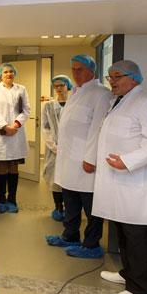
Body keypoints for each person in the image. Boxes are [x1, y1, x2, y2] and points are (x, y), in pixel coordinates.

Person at [94, 60, 147, 294]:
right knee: (124, 234)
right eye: (110, 77)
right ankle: (128, 274)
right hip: (119, 183)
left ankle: (140, 290)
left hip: (136, 183)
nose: (112, 81)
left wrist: (128, 161)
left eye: (117, 76)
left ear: (135, 78)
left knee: (137, 237)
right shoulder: (119, 101)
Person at [46, 55, 113, 259]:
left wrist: (90, 158)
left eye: (80, 69)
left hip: (85, 160)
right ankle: (70, 235)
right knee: (71, 201)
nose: (75, 73)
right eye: (73, 69)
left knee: (90, 205)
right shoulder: (76, 92)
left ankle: (92, 244)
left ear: (91, 70)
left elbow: (97, 129)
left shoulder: (101, 94)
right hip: (68, 160)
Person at [0, 62, 31, 213]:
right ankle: (1, 200)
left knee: (13, 166)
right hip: (1, 133)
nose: (9, 74)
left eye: (11, 71)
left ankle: (12, 200)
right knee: (1, 167)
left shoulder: (21, 89)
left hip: (16, 133)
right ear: (1, 74)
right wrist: (5, 127)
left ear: (15, 74)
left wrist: (16, 125)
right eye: (5, 72)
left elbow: (26, 109)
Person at [42, 75, 72, 221]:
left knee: (68, 179)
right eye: (56, 86)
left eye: (62, 85)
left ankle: (69, 208)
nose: (59, 88)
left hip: (71, 150)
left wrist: (68, 148)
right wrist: (54, 147)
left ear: (68, 86)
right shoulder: (48, 106)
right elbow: (45, 128)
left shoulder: (74, 104)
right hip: (53, 150)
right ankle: (58, 207)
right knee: (54, 179)